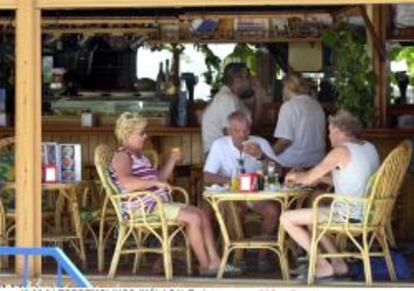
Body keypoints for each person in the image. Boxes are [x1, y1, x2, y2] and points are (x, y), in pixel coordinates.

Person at [110, 112, 239, 276]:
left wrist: (171, 160)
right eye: (141, 133)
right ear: (128, 134)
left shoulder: (139, 156)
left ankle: (216, 262)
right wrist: (154, 183)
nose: (145, 136)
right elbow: (126, 182)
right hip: (143, 207)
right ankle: (206, 266)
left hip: (156, 204)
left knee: (202, 213)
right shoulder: (123, 156)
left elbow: (160, 178)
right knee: (193, 218)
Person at [280, 110, 380, 279]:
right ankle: (338, 264)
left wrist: (293, 176)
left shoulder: (341, 151)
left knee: (286, 219)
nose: (328, 136)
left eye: (329, 131)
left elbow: (308, 178)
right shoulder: (368, 147)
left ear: (339, 131)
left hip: (349, 214)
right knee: (315, 216)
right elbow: (354, 181)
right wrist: (322, 180)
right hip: (369, 213)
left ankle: (322, 264)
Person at [204, 111, 281, 267]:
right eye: (236, 131)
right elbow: (208, 176)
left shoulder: (260, 143)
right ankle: (239, 256)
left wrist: (261, 156)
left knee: (273, 211)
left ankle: (262, 255)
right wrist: (235, 182)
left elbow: (279, 172)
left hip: (255, 194)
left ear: (250, 129)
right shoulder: (219, 145)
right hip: (230, 195)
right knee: (235, 212)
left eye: (245, 131)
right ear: (228, 130)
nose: (241, 135)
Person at [201, 62, 265, 154]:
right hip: (221, 156)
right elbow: (230, 134)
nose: (251, 80)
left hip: (228, 152)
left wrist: (258, 94)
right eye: (248, 77)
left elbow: (253, 124)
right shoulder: (226, 99)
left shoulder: (233, 98)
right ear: (238, 79)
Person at [273, 72, 326, 168]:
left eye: (283, 87)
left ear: (288, 87)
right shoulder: (316, 105)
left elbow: (285, 140)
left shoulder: (288, 106)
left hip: (293, 162)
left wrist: (270, 153)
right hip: (318, 160)